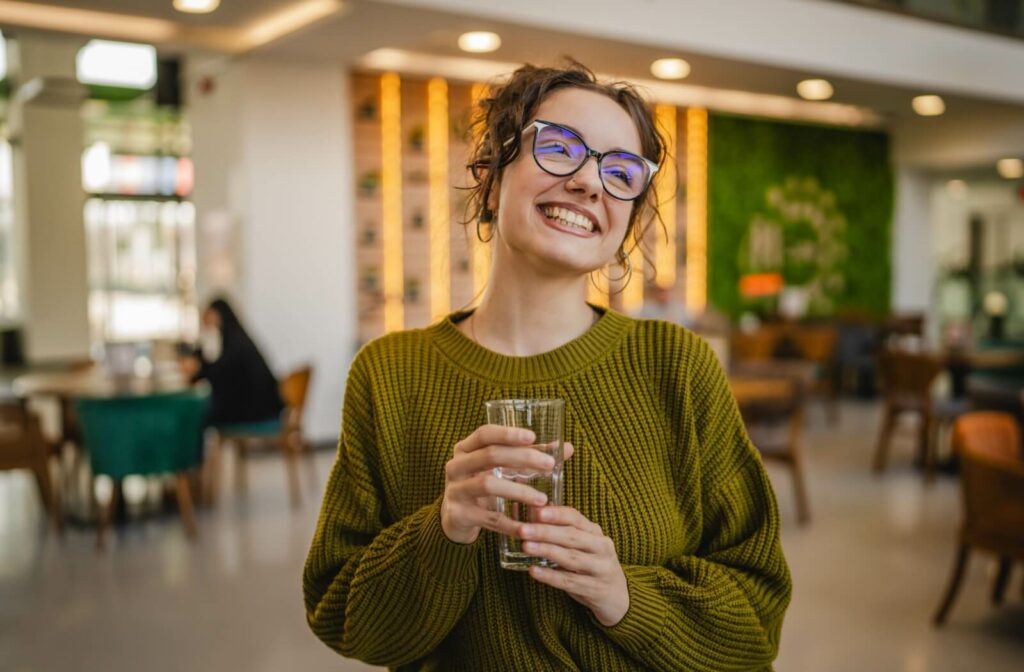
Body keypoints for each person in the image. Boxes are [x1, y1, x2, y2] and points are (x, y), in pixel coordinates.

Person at [304, 62, 790, 671]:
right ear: (491, 176)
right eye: (559, 148)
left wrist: (622, 594)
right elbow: (344, 618)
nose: (590, 183)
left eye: (620, 172)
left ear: (628, 220)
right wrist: (444, 529)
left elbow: (756, 621)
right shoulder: (389, 374)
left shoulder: (677, 366)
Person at [181, 298, 283, 426]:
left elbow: (221, 371)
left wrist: (198, 370)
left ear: (217, 314)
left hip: (257, 410)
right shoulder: (235, 337)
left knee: (200, 414)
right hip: (262, 406)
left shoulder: (235, 341)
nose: (206, 322)